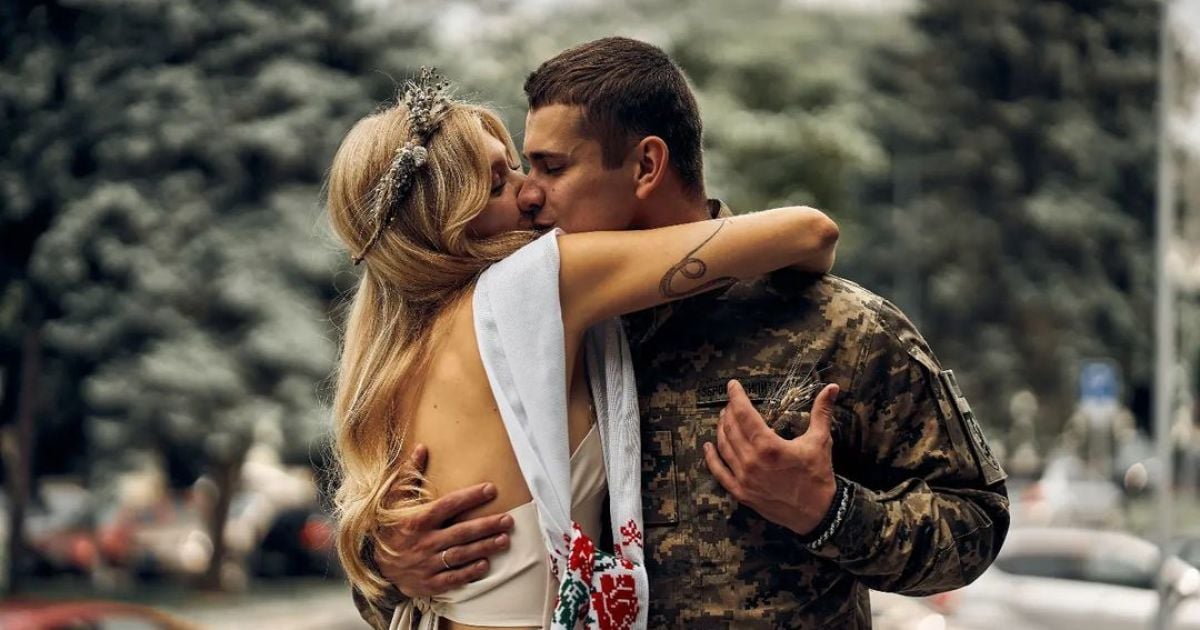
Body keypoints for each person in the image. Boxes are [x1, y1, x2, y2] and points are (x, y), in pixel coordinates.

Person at [354, 38, 1011, 629]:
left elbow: (975, 523)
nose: (530, 195)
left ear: (645, 166)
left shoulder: (834, 323)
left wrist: (827, 511)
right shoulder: (519, 334)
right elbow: (438, 565)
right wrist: (391, 567)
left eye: (551, 168)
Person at [326, 69, 840, 630]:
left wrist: (381, 564)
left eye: (518, 166)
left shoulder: (394, 348)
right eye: (497, 184)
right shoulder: (534, 284)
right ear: (444, 219)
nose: (529, 193)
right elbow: (810, 231)